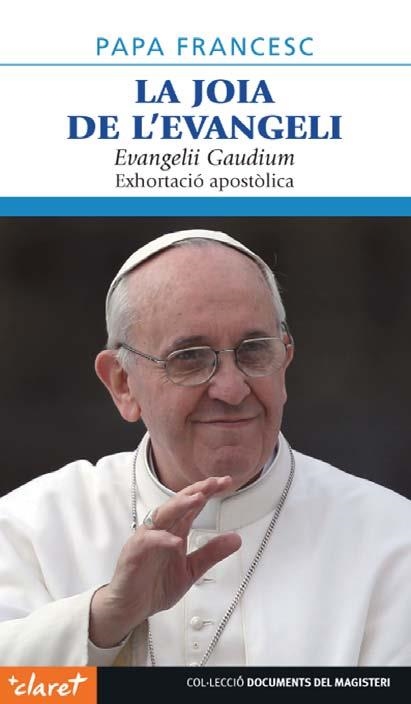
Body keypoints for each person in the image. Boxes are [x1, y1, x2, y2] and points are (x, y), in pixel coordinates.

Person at [0, 229, 410, 667]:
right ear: (122, 384)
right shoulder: (31, 530)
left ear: (285, 359)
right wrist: (103, 620)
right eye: (190, 357)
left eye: (254, 351)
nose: (231, 390)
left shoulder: (392, 539)